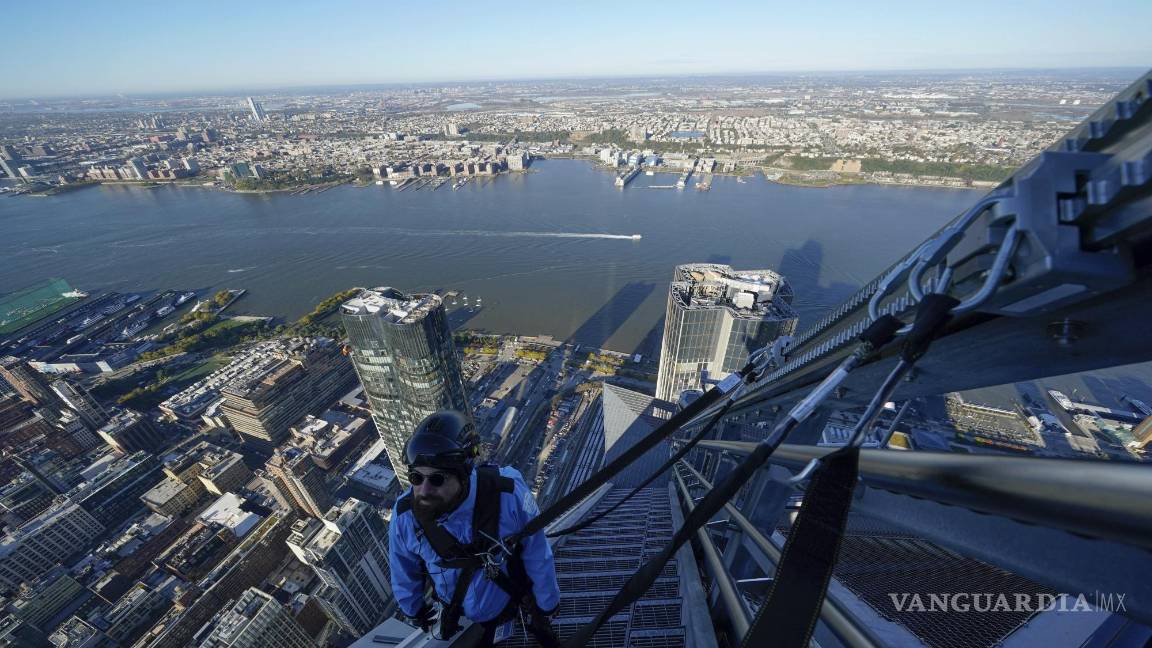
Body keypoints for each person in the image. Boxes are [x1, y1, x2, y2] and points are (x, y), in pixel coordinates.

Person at [389, 410, 561, 646]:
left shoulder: (507, 493)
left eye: (437, 479)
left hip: (509, 598)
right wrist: (413, 609)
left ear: (464, 475)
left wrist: (547, 603)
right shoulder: (405, 516)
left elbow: (537, 552)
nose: (424, 491)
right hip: (458, 609)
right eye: (416, 478)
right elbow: (402, 568)